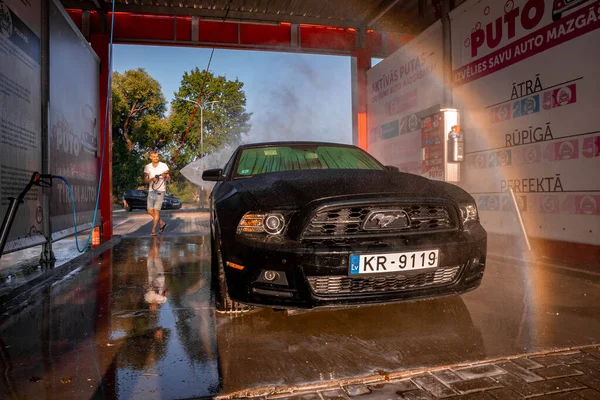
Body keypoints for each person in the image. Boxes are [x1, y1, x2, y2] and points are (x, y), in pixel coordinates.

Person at [144, 150, 170, 236]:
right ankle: (162, 223)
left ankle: (153, 230)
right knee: (150, 211)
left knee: (156, 211)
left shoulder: (164, 166)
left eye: (157, 156)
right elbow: (146, 180)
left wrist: (165, 177)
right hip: (151, 191)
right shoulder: (147, 167)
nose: (156, 158)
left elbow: (168, 178)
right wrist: (152, 179)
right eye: (154, 157)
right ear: (150, 157)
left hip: (160, 191)